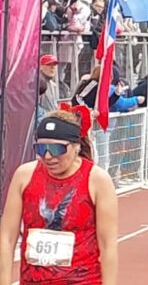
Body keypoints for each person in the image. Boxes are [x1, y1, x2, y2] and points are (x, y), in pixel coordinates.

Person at [0, 110, 119, 285]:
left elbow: (108, 245)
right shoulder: (24, 175)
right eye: (41, 149)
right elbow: (7, 237)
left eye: (57, 149)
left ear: (76, 146)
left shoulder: (96, 180)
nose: (48, 156)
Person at [37, 55, 61, 125]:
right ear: (41, 66)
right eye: (49, 64)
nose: (52, 67)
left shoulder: (53, 85)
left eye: (54, 65)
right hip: (42, 123)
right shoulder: (37, 84)